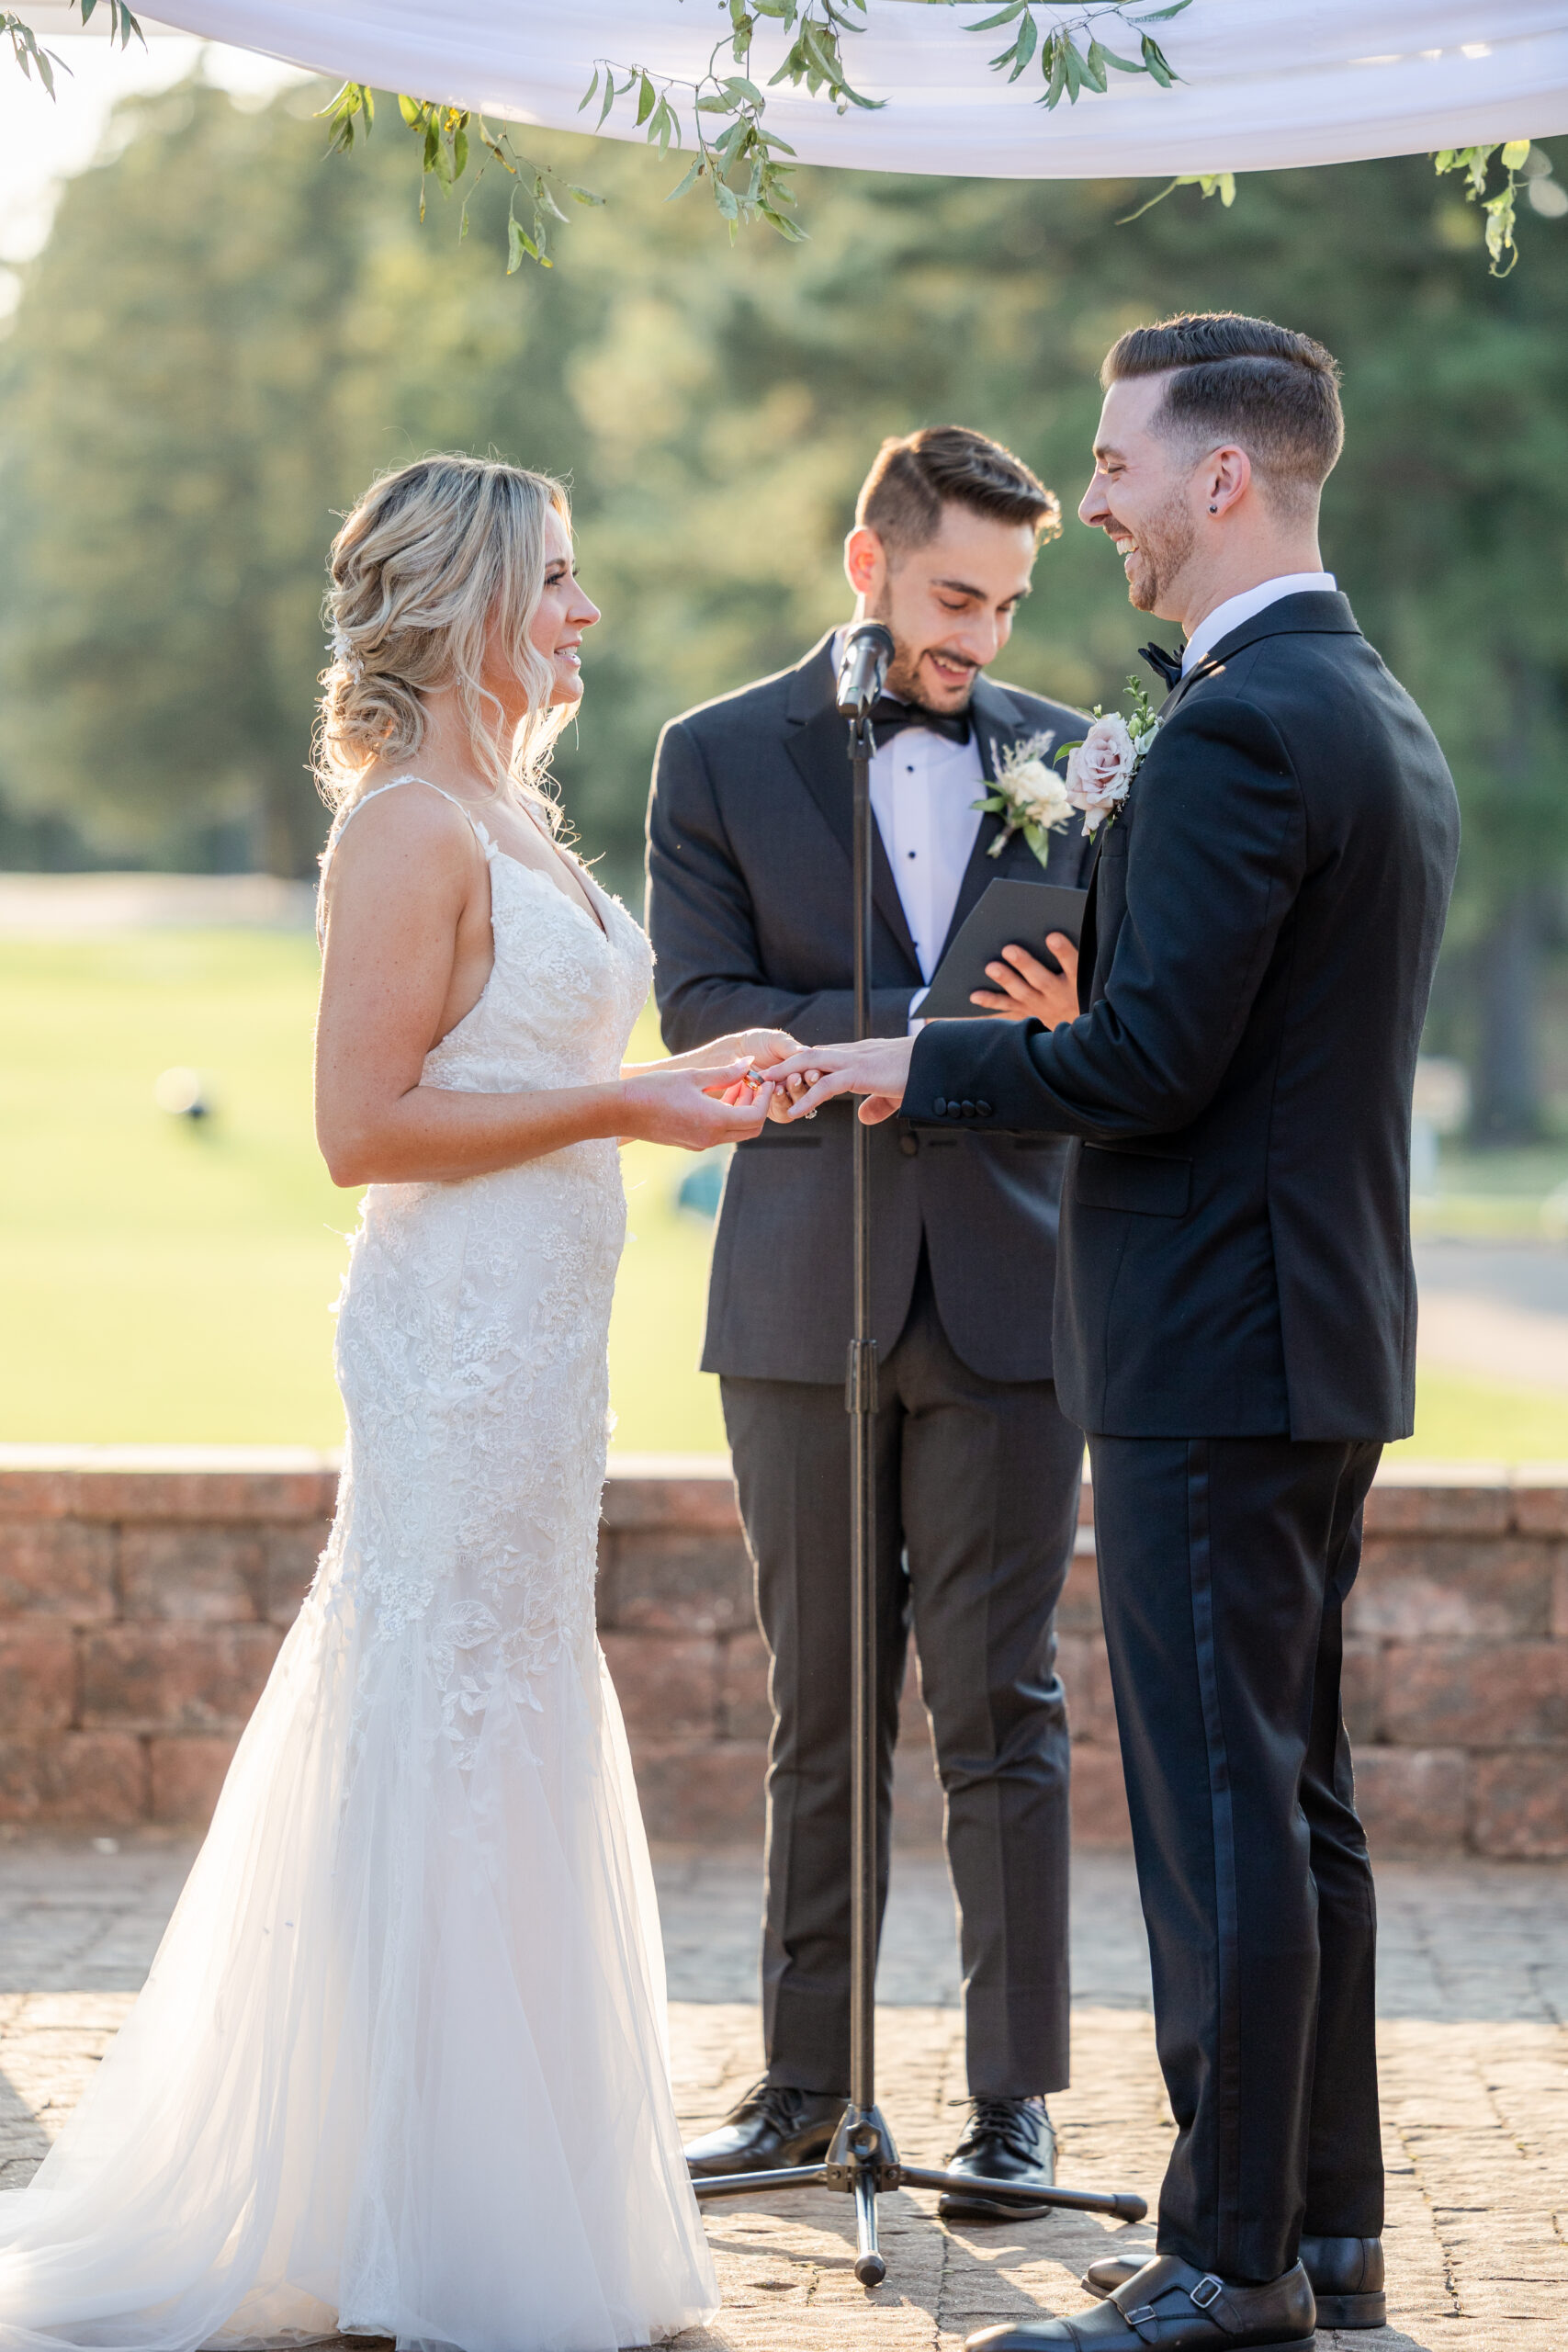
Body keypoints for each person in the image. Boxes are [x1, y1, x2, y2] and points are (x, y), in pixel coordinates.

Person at [0, 454, 786, 2351]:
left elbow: (563, 1058)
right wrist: (623, 1104)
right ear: (467, 603)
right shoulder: (404, 834)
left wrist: (721, 1066)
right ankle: (397, 2213)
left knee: (506, 1687)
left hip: (540, 1357)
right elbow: (366, 1127)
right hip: (450, 1344)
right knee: (434, 1685)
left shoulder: (516, 817)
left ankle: (485, 2191)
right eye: (561, 581)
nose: (587, 616)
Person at [766, 318, 1461, 2351]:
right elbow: (1226, 1026)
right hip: (1310, 1327)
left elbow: (1151, 1059)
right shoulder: (1362, 704)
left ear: (1222, 475)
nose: (1095, 503)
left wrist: (930, 1058)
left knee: (1219, 1803)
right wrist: (1103, 985)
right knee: (1291, 1791)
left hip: (1208, 1331)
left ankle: (1221, 2258)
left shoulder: (1243, 720)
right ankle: (1323, 2232)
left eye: (1117, 461)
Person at [647, 426, 1095, 2216]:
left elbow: (1116, 1028)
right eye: (950, 594)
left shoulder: (1079, 762)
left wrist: (1047, 1022)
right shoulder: (710, 753)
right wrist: (930, 1029)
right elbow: (700, 1008)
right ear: (866, 563)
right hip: (796, 1296)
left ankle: (1015, 2107)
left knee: (1005, 1706)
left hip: (1009, 1294)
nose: (978, 633)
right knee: (816, 1707)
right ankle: (804, 2089)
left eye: (1004, 601)